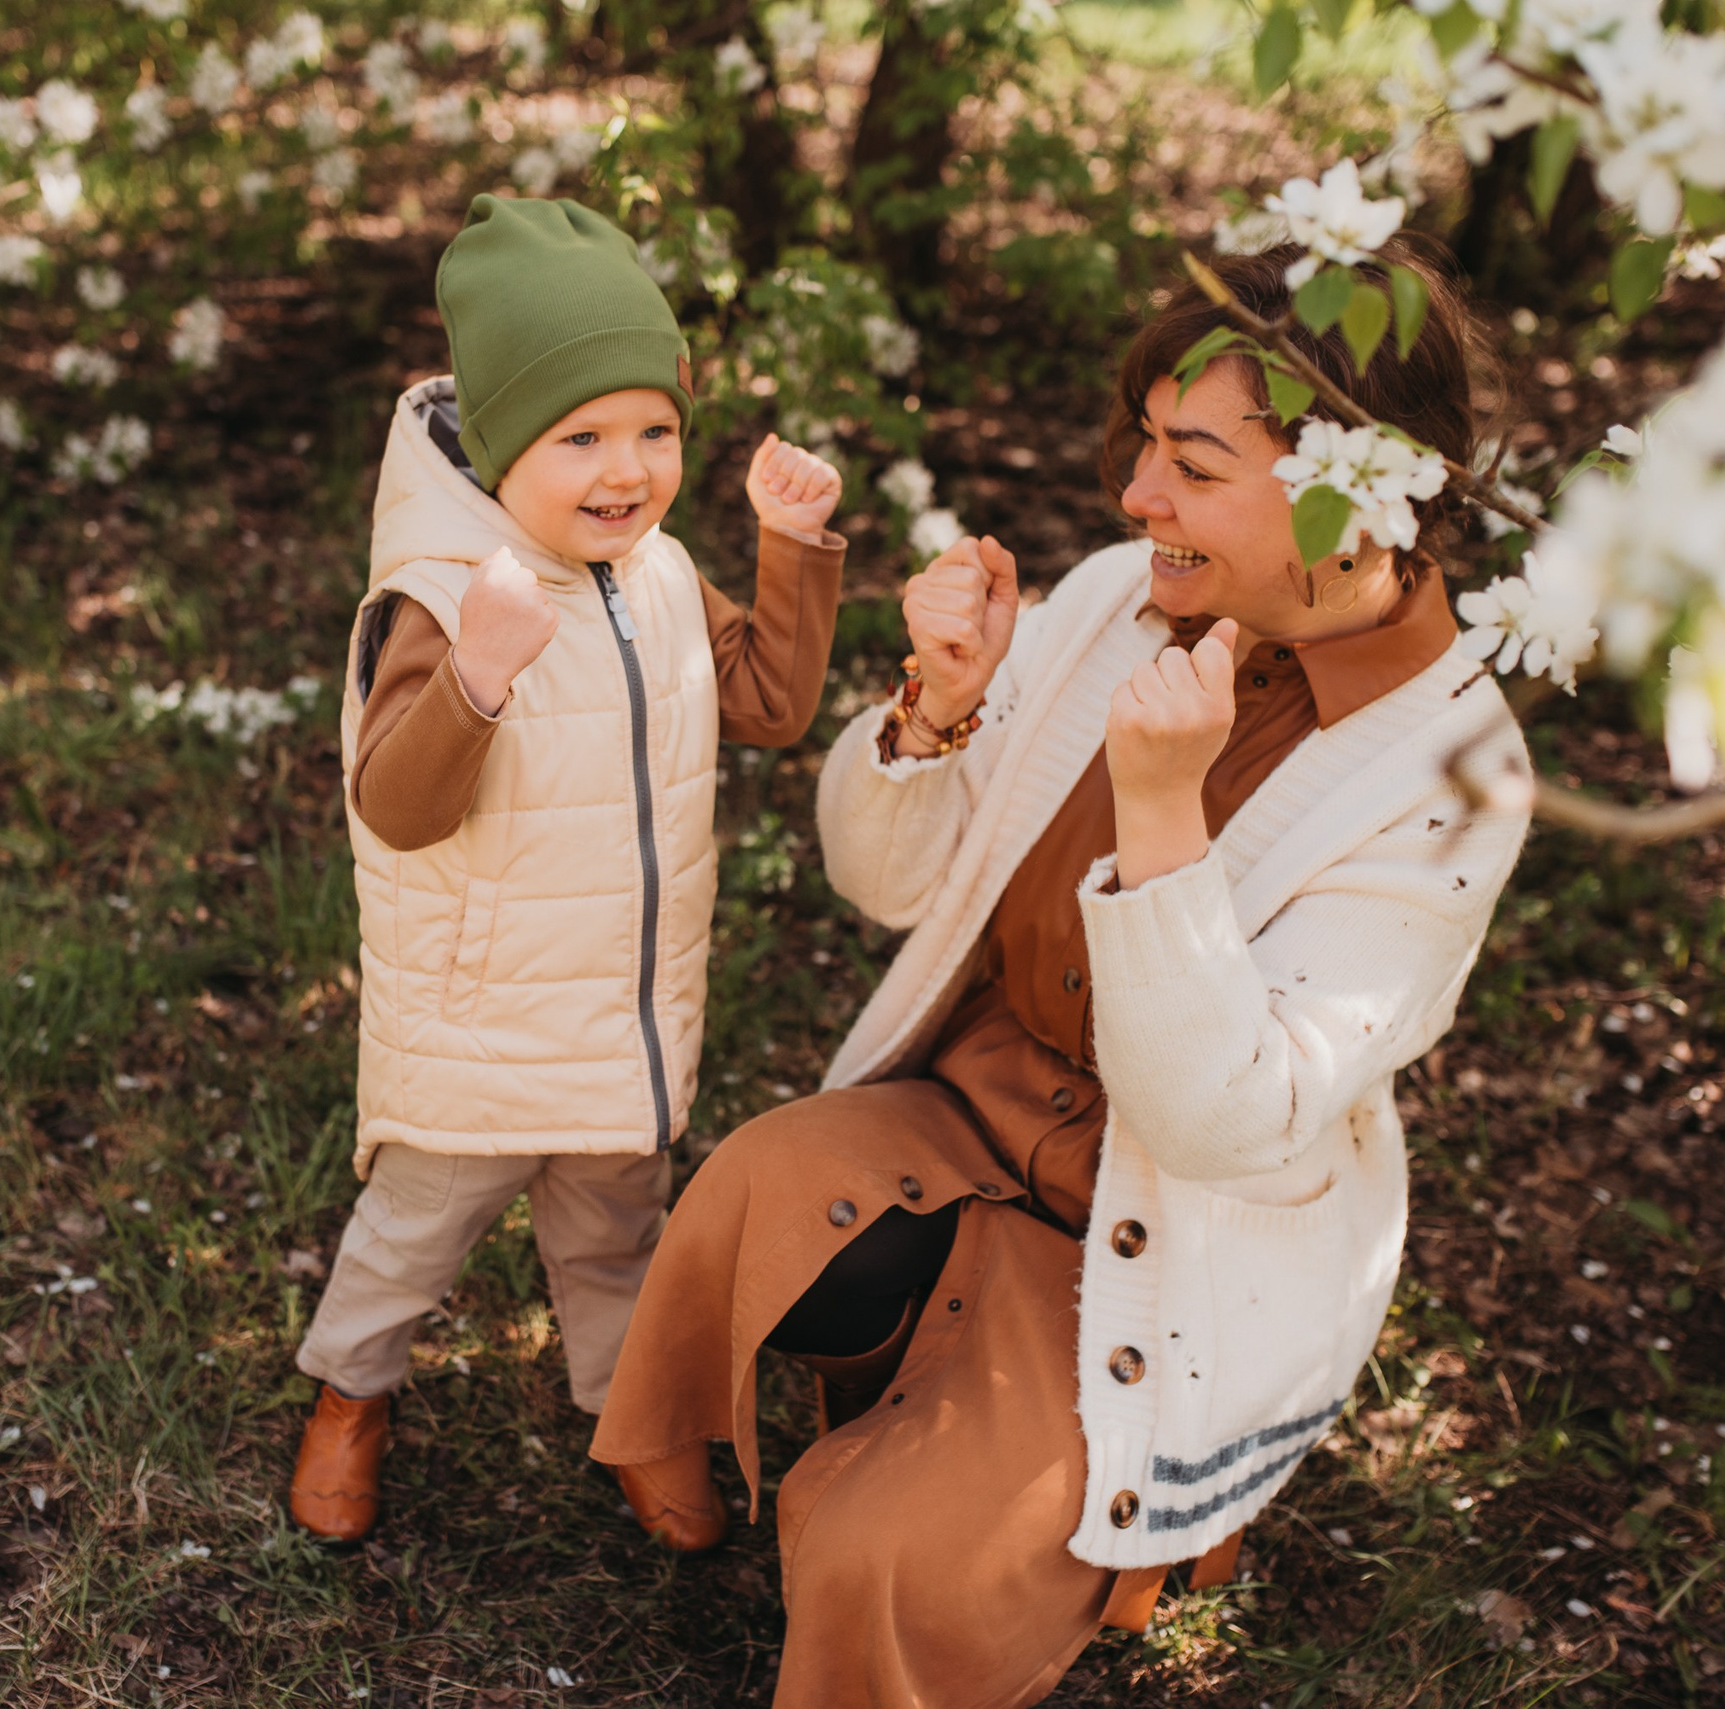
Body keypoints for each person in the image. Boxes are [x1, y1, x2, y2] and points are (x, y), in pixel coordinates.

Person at [589, 241, 1535, 1707]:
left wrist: (1163, 817)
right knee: (752, 1194)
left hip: (1171, 1225)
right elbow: (882, 880)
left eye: (1195, 464)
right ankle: (918, 1391)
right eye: (1144, 445)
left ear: (1364, 494)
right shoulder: (1118, 599)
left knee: (877, 1563)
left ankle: (1117, 1513)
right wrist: (939, 713)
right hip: (970, 1110)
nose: (1137, 496)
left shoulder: (1454, 776)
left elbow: (1228, 1117)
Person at [288, 194, 845, 1550]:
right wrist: (478, 671)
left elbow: (766, 702)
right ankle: (348, 1397)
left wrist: (789, 553)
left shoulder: (656, 574)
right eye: (580, 436)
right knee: (414, 1231)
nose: (626, 468)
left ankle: (635, 1417)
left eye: (653, 429)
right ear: (495, 444)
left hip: (623, 1014)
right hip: (481, 1020)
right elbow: (398, 806)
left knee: (615, 1241)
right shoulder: (439, 592)